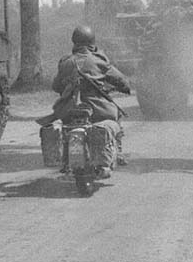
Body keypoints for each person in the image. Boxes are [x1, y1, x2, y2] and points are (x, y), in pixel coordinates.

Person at [39, 25, 131, 178]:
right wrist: (124, 87)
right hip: (97, 109)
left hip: (68, 110)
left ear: (74, 42)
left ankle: (66, 160)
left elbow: (56, 86)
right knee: (116, 116)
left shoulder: (65, 61)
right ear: (92, 42)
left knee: (65, 128)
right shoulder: (99, 60)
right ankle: (118, 152)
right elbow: (121, 81)